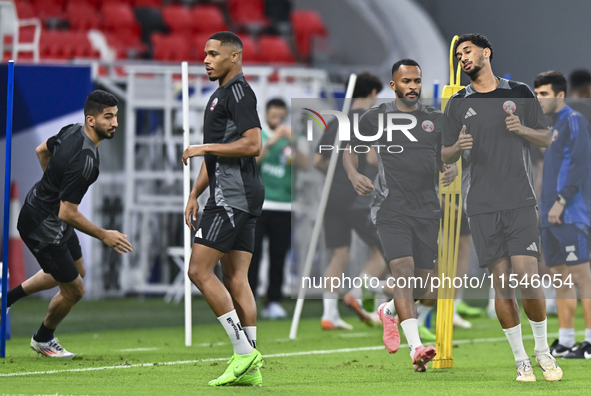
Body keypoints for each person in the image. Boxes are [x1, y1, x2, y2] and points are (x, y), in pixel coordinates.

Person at [442, 33, 562, 382]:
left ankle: (543, 351)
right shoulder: (457, 102)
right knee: (502, 285)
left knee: (528, 276)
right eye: (459, 54)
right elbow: (444, 154)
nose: (462, 58)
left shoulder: (520, 92)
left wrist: (522, 128)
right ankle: (521, 359)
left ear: (486, 52)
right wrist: (455, 148)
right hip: (480, 205)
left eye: (468, 51)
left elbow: (546, 137)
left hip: (520, 199)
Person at [343, 59, 457, 372]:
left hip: (427, 210)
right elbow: (349, 149)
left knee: (426, 289)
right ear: (393, 85)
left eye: (417, 81)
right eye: (406, 81)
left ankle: (389, 311)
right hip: (391, 207)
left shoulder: (435, 119)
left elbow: (441, 158)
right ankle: (416, 347)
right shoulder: (376, 117)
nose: (413, 87)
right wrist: (353, 175)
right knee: (403, 273)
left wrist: (449, 168)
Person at [4, 90, 132, 357]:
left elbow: (42, 151)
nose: (115, 123)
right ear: (91, 120)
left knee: (76, 270)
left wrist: (52, 189)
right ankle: (43, 339)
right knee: (75, 289)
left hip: (45, 210)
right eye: (108, 117)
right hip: (42, 223)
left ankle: (8, 298)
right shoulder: (87, 161)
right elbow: (67, 213)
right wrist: (104, 234)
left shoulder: (71, 130)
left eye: (116, 116)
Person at [182, 31, 263, 387]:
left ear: (235, 57)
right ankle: (252, 368)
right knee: (235, 278)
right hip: (236, 193)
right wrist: (194, 193)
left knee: (199, 271)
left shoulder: (239, 93)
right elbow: (221, 151)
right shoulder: (221, 95)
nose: (206, 59)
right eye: (205, 53)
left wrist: (202, 147)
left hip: (233, 196)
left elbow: (252, 144)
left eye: (214, 54)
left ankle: (243, 353)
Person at [313, 72, 387, 330]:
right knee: (385, 252)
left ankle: (329, 314)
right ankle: (356, 293)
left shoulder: (336, 122)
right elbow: (372, 159)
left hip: (331, 198)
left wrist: (338, 177)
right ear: (373, 94)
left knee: (339, 254)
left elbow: (318, 161)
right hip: (359, 198)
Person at [534, 71, 591, 359]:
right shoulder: (553, 126)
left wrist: (560, 201)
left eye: (543, 94)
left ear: (559, 95)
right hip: (549, 214)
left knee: (583, 277)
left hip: (571, 213)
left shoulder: (574, 121)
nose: (539, 99)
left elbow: (581, 165)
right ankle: (567, 340)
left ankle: (590, 341)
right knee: (560, 277)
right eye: (536, 94)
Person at [248, 98, 309, 320]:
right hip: (260, 205)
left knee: (278, 256)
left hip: (286, 206)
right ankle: (249, 300)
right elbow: (254, 162)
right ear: (266, 115)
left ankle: (273, 301)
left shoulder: (292, 138)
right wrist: (273, 140)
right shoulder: (258, 136)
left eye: (281, 116)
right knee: (252, 255)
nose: (278, 120)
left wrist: (292, 141)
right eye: (274, 116)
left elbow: (305, 164)